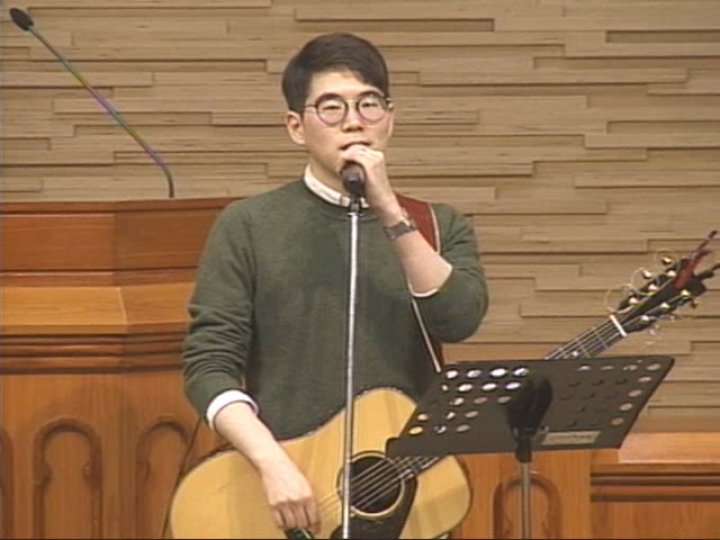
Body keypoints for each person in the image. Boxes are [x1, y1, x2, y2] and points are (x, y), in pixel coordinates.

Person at [182, 32, 488, 536]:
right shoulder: (248, 225)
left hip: (402, 493)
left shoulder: (437, 224)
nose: (353, 121)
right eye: (331, 108)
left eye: (369, 104)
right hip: (288, 484)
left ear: (390, 119)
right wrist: (271, 462)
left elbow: (459, 318)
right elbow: (209, 365)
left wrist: (389, 211)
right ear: (296, 127)